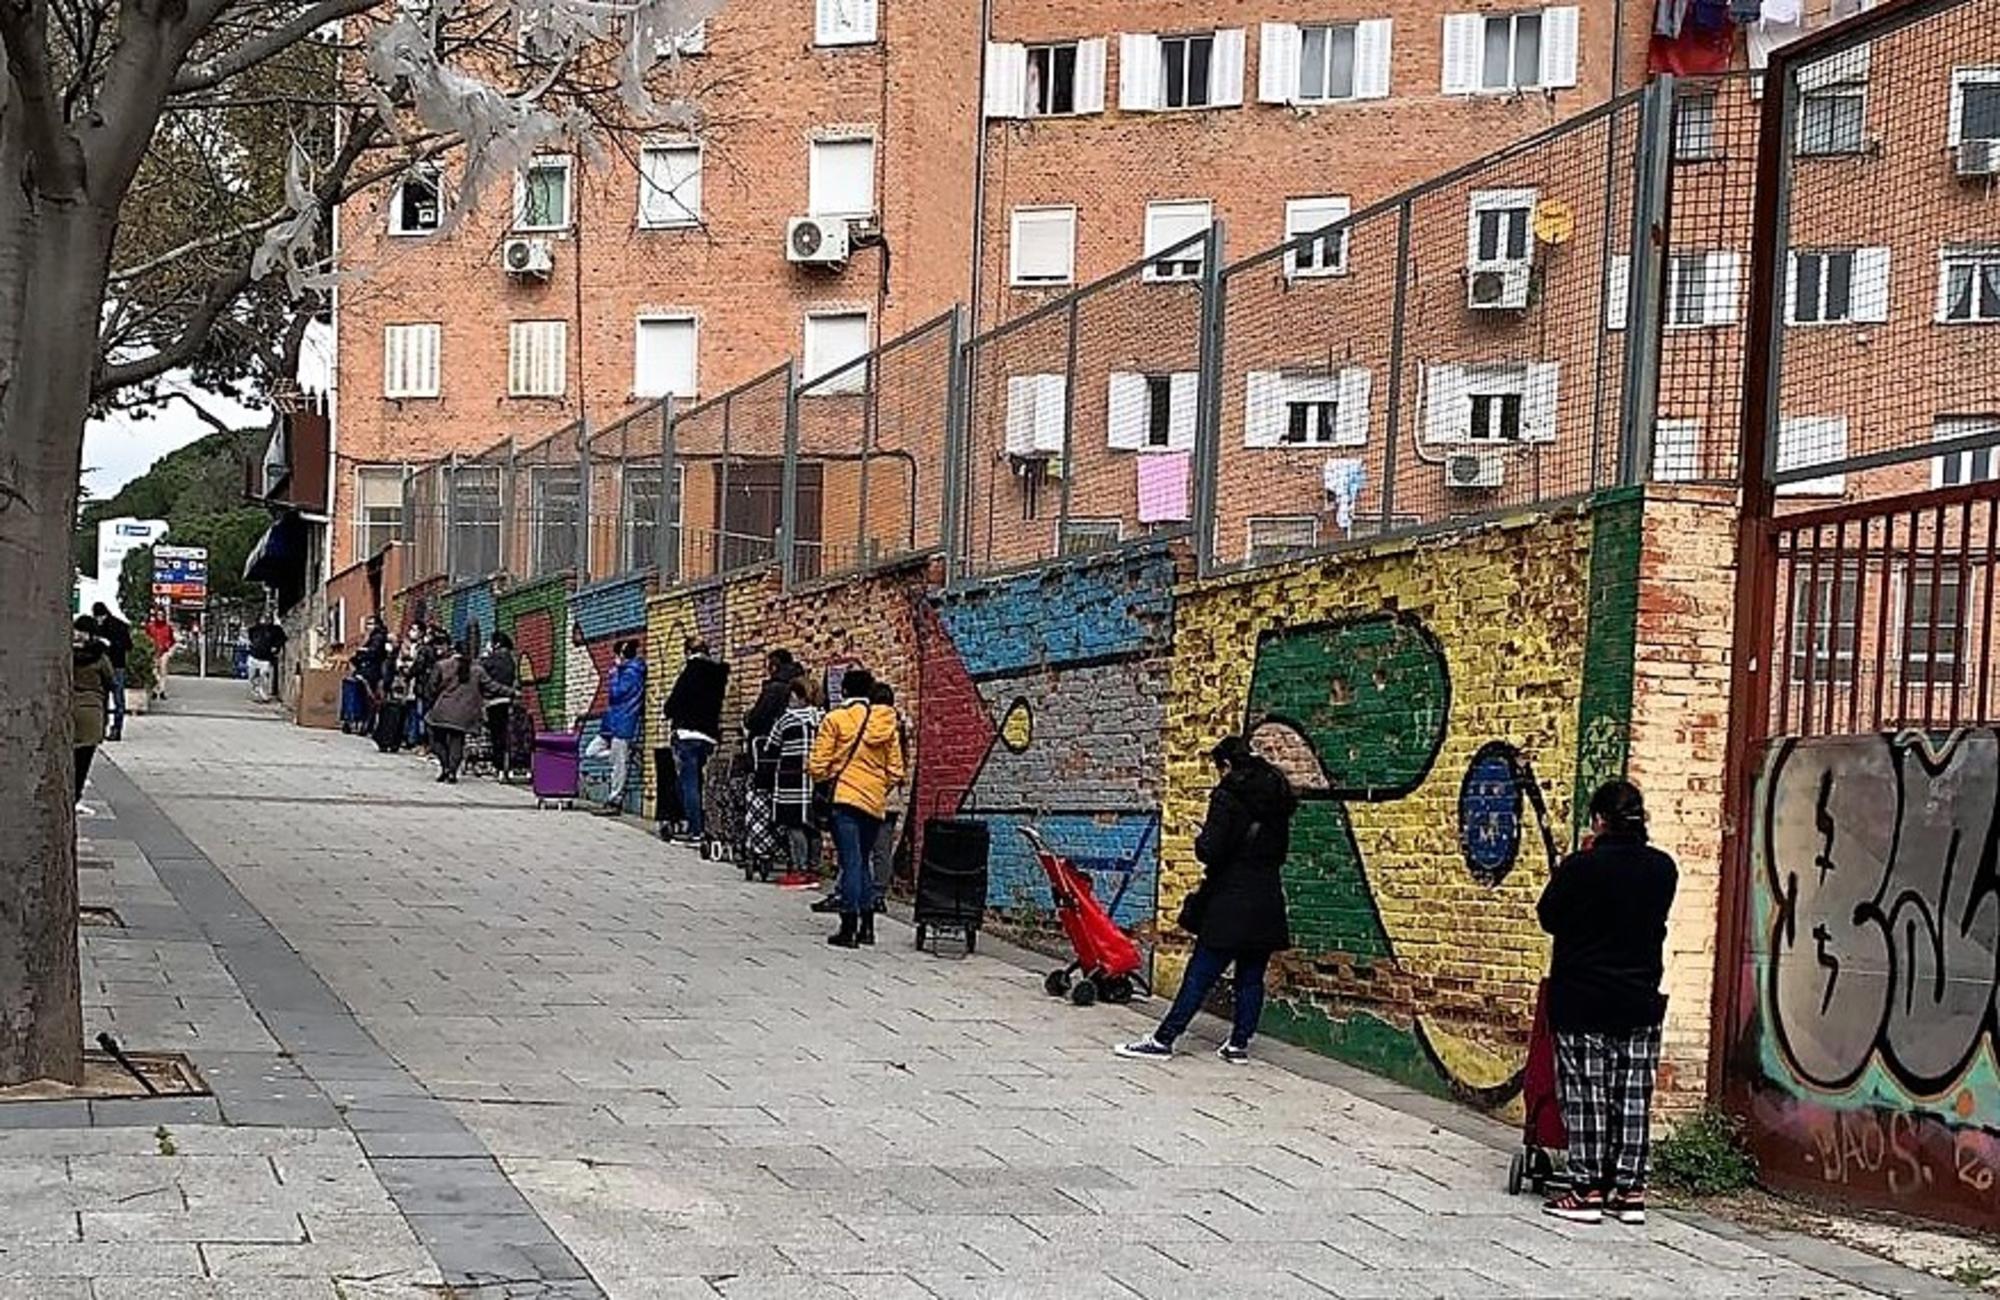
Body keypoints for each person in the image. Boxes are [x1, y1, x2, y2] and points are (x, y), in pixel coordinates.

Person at [1536, 780, 1679, 1227]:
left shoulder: (1581, 867)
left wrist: (1580, 859)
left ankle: (1586, 1188)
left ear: (1598, 820)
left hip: (1583, 998)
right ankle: (1630, 1190)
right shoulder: (1663, 868)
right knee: (1633, 1096)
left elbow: (1549, 917)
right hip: (1639, 998)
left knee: (1587, 1095)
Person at [1118, 735, 1296, 1064]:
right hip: (1267, 898)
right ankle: (1238, 1045)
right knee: (1250, 977)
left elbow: (1210, 850)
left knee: (1200, 974)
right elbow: (1280, 852)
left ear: (1226, 765)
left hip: (1230, 900)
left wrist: (1202, 837)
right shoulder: (1279, 797)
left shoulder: (1227, 796)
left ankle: (1163, 1039)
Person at [808, 667, 906, 949]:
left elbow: (817, 765)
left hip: (845, 800)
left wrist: (829, 777)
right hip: (874, 802)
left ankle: (848, 928)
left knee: (850, 862)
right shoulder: (886, 722)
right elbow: (896, 771)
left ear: (845, 691)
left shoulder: (836, 719)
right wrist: (876, 786)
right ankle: (868, 927)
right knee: (863, 861)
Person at [660, 638, 729, 844]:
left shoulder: (690, 672)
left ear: (689, 651)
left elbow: (673, 703)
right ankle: (689, 821)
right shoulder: (718, 675)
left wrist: (669, 711)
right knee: (693, 779)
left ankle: (695, 830)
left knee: (689, 783)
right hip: (708, 736)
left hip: (687, 733)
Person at [768, 676, 825, 884]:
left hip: (790, 779)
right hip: (817, 778)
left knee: (794, 825)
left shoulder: (786, 719)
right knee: (813, 825)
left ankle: (799, 870)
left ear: (796, 695)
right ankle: (814, 868)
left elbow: (771, 747)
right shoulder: (821, 718)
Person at [425, 641, 490, 783]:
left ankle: (445, 766)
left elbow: (431, 687)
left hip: (442, 710)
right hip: (464, 714)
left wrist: (433, 702)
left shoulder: (442, 665)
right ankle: (452, 771)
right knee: (457, 741)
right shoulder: (477, 670)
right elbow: (491, 686)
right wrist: (511, 692)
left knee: (437, 740)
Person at [597, 639, 647, 815]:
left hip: (624, 722)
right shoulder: (628, 671)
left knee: (620, 765)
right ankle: (623, 756)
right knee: (593, 751)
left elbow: (617, 694)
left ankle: (615, 799)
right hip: (615, 722)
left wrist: (615, 675)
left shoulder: (631, 673)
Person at [72, 617, 115, 809]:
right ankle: (75, 797)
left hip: (68, 709)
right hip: (91, 710)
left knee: (68, 756)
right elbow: (111, 682)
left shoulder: (66, 654)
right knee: (84, 759)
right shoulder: (100, 657)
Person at [480, 632, 520, 780]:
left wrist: (484, 657)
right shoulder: (511, 659)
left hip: (493, 701)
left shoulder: (492, 659)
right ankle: (503, 767)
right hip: (507, 700)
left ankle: (498, 767)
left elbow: (481, 674)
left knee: (496, 736)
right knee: (503, 735)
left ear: (496, 644)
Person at [744, 648, 805, 743]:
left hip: (771, 742)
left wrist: (748, 717)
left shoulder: (774, 688)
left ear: (774, 667)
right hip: (798, 741)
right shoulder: (803, 684)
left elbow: (757, 719)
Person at [91, 603, 132, 741]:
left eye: (99, 617)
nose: (98, 620)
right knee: (112, 698)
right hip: (113, 665)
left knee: (114, 699)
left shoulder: (117, 626)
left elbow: (127, 645)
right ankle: (109, 729)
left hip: (114, 665)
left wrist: (109, 644)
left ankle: (111, 729)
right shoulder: (102, 626)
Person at [246, 617, 288, 704]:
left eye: (268, 618)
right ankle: (256, 692)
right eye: (264, 618)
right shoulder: (256, 628)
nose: (266, 620)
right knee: (252, 677)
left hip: (266, 658)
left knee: (264, 676)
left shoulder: (275, 629)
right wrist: (252, 642)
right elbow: (250, 632)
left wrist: (276, 647)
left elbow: (282, 639)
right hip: (254, 655)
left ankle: (264, 696)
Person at [144, 609, 175, 699]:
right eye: (158, 615)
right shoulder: (150, 626)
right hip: (153, 651)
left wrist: (169, 651)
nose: (160, 617)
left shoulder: (168, 627)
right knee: (154, 671)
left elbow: (172, 640)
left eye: (162, 615)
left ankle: (162, 690)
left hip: (164, 651)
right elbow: (146, 637)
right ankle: (154, 689)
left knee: (163, 671)